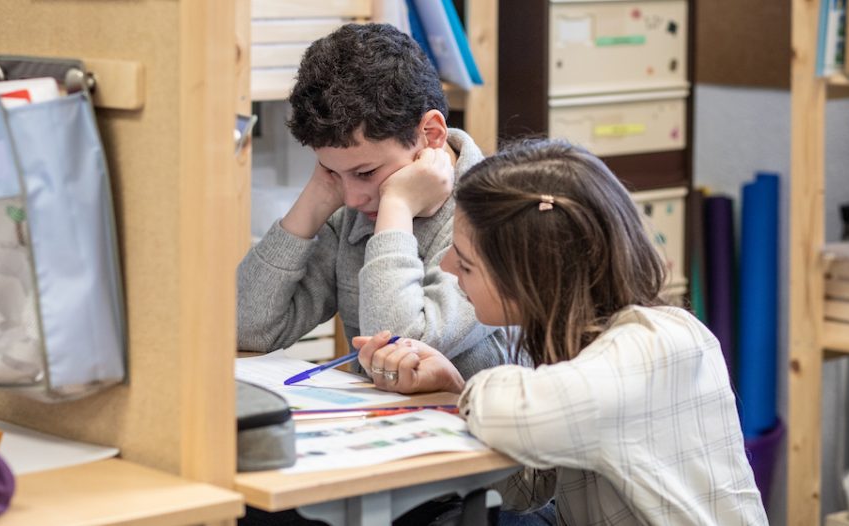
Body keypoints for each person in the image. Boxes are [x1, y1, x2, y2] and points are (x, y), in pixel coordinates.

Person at [354, 139, 769, 524]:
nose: (445, 268)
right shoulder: (577, 350)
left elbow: (511, 414)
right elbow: (523, 487)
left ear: (532, 277)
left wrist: (463, 393)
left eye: (465, 263)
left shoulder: (659, 342)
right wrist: (450, 384)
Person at [237, 23, 507, 379]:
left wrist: (396, 206)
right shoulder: (354, 201)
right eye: (331, 170)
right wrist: (315, 199)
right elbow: (245, 328)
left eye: (365, 172)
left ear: (431, 134)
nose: (351, 197)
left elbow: (400, 351)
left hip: (472, 427)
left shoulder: (498, 214)